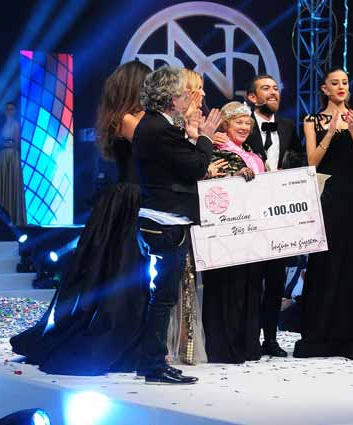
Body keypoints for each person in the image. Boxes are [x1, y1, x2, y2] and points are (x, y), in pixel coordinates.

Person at [10, 61, 153, 375]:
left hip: (129, 197)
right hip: (130, 199)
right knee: (123, 268)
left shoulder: (124, 118)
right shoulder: (129, 121)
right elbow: (153, 149)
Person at [133, 66, 221, 384]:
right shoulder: (159, 128)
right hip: (165, 220)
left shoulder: (160, 125)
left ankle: (151, 362)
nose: (189, 98)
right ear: (172, 98)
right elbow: (196, 167)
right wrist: (205, 137)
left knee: (162, 296)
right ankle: (153, 365)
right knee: (163, 297)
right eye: (185, 93)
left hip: (165, 218)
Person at [293, 66, 353, 360]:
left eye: (345, 82)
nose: (341, 87)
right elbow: (312, 162)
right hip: (328, 196)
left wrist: (351, 127)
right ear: (324, 89)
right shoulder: (312, 120)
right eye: (335, 83)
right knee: (327, 262)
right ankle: (321, 332)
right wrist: (329, 132)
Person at [243, 74, 304, 357]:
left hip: (279, 212)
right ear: (252, 97)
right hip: (249, 212)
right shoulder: (242, 125)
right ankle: (249, 339)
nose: (273, 93)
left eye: (276, 88)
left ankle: (270, 339)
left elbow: (300, 159)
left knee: (276, 279)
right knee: (252, 279)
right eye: (265, 88)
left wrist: (286, 172)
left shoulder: (289, 126)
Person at [201, 101, 266, 364]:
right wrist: (234, 177)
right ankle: (224, 348)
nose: (244, 127)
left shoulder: (252, 153)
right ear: (226, 125)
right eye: (239, 122)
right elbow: (209, 188)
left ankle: (248, 344)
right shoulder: (216, 151)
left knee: (250, 287)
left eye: (248, 123)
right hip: (226, 235)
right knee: (227, 288)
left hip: (253, 233)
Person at [0, 101, 26, 225]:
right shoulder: (2, 125)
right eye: (7, 109)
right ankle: (3, 216)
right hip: (3, 156)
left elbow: (17, 143)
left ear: (15, 111)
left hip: (12, 156)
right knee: (4, 183)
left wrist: (7, 144)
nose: (9, 111)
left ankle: (15, 216)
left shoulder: (16, 125)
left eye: (11, 109)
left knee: (12, 183)